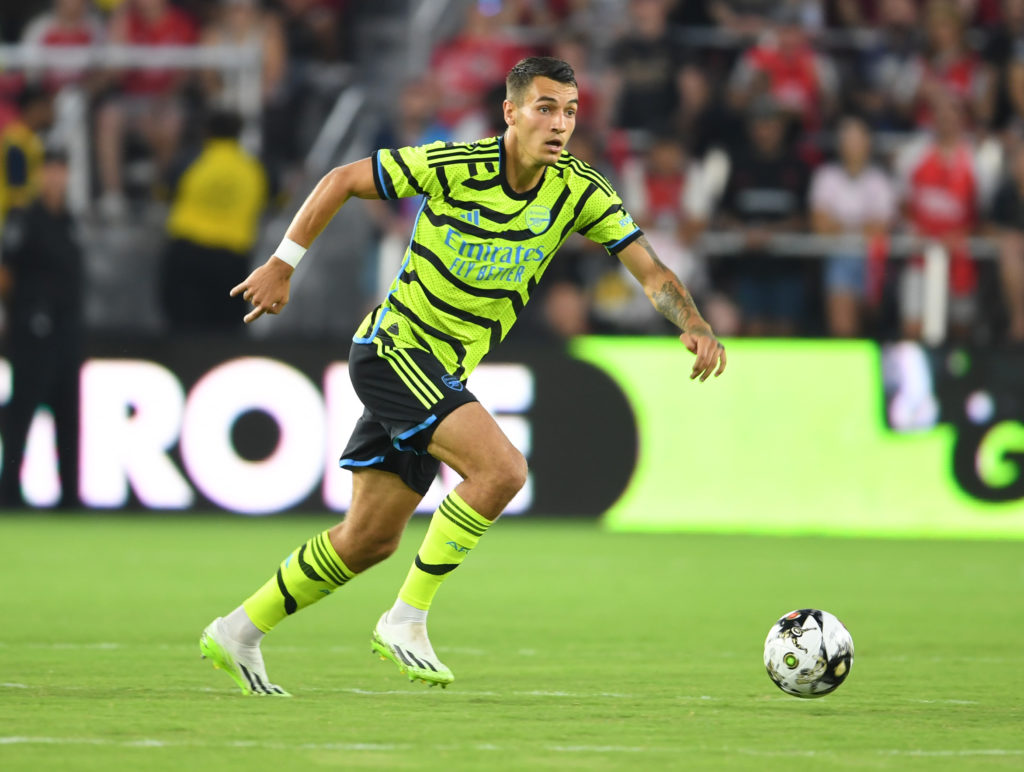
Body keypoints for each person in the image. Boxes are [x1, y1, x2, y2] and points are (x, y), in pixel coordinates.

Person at [199, 57, 727, 695]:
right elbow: (341, 179)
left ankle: (238, 630)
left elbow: (648, 270)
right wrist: (283, 263)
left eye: (569, 111)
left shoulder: (581, 191)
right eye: (544, 108)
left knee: (367, 540)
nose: (559, 124)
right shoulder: (454, 165)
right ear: (510, 112)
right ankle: (406, 619)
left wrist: (691, 320)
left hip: (439, 370)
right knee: (502, 470)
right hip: (394, 351)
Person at [0, 149, 83, 509]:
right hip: (31, 330)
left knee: (69, 415)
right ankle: (9, 494)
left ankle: (70, 499)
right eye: (50, 170)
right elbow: (5, 272)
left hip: (67, 330)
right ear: (40, 175)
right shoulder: (24, 218)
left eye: (61, 170)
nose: (56, 177)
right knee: (23, 413)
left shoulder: (69, 221)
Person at [160, 110, 268, 334]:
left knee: (182, 331)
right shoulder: (253, 168)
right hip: (232, 260)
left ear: (206, 132)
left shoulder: (191, 160)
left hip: (188, 254)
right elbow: (276, 198)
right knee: (226, 334)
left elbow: (163, 191)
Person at [809, 116, 896, 337]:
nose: (852, 145)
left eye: (857, 139)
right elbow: (820, 225)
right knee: (843, 327)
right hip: (839, 257)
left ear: (868, 143)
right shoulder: (826, 176)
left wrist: (841, 225)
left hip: (874, 260)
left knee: (874, 322)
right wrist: (862, 225)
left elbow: (881, 227)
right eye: (847, 139)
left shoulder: (879, 180)